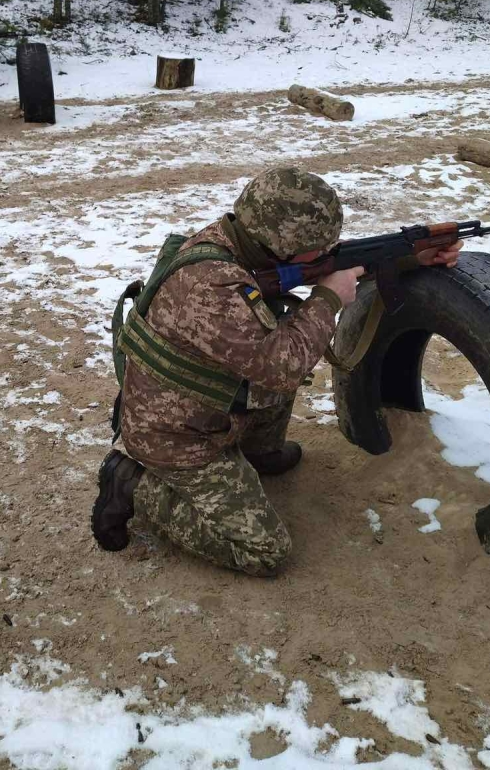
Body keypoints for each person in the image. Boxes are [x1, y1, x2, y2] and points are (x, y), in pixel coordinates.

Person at [91, 166, 461, 577]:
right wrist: (327, 299)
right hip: (175, 437)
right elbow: (280, 367)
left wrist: (412, 257)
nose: (328, 251)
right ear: (282, 245)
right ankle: (130, 483)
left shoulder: (238, 240)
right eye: (317, 247)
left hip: (203, 405)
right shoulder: (211, 288)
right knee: (264, 552)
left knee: (282, 348)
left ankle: (258, 453)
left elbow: (324, 266)